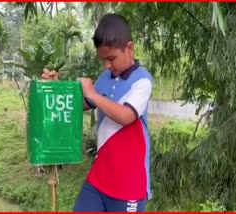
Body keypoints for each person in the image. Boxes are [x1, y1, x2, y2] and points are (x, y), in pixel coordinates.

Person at [42, 13, 153, 212]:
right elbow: (81, 103)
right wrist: (56, 87)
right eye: (103, 60)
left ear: (129, 48)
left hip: (129, 185)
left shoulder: (142, 80)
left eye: (111, 58)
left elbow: (126, 116)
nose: (107, 65)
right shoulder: (105, 77)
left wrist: (92, 92)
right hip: (100, 178)